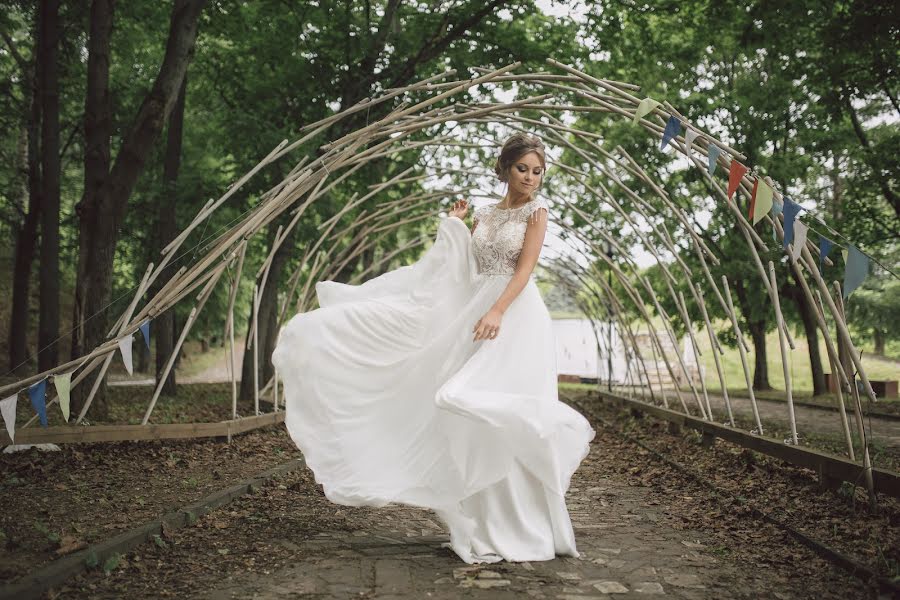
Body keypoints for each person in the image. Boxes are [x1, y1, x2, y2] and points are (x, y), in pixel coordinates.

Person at [271, 132, 596, 564]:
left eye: (537, 171)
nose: (531, 178)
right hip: (478, 309)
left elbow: (525, 270)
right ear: (504, 169)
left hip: (516, 314)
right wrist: (454, 227)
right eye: (522, 169)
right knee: (461, 409)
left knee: (495, 404)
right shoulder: (484, 214)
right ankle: (484, 523)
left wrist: (498, 310)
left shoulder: (538, 212)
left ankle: (527, 525)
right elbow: (463, 268)